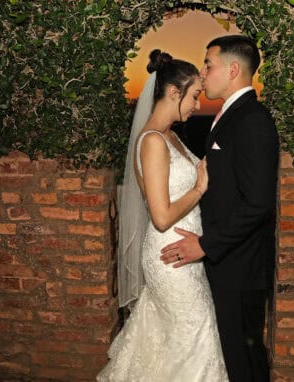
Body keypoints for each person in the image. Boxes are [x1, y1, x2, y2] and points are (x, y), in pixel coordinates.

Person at [97, 50, 228, 381]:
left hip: (186, 255)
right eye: (195, 96)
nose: (198, 104)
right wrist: (199, 188)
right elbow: (160, 215)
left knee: (178, 342)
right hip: (171, 258)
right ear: (174, 92)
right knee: (197, 332)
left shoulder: (170, 136)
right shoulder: (153, 141)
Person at [160, 35, 279, 382]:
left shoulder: (252, 120)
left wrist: (205, 245)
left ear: (232, 69)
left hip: (241, 267)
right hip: (228, 262)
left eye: (208, 64)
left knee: (244, 357)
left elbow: (258, 203)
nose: (203, 72)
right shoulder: (230, 115)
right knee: (235, 354)